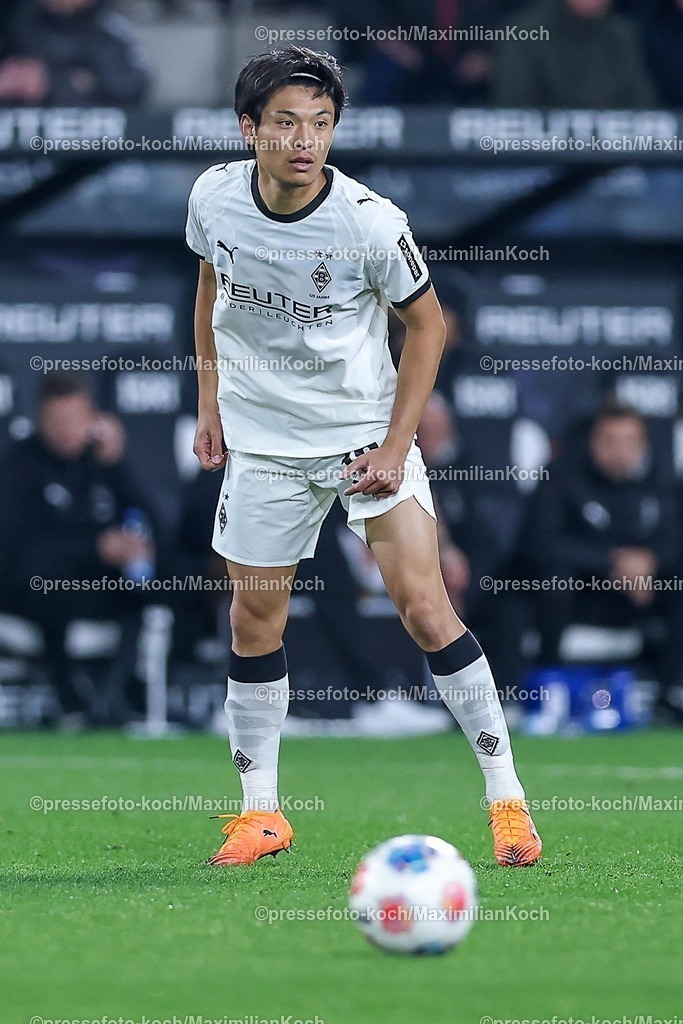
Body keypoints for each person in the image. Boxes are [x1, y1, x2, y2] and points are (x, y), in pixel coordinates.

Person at [186, 46, 542, 868]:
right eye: (286, 123)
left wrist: (395, 442)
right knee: (251, 620)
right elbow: (210, 286)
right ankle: (260, 814)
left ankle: (507, 802)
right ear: (250, 129)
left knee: (425, 607)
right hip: (264, 441)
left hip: (358, 438)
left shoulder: (369, 221)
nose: (305, 139)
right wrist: (210, 404)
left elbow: (428, 326)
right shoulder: (212, 195)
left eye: (320, 123)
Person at [0, 373, 156, 724]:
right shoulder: (19, 465)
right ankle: (70, 702)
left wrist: (115, 465)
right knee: (46, 588)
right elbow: (20, 550)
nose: (67, 430)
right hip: (37, 590)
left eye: (76, 419)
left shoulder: (101, 463)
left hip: (98, 585)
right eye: (58, 420)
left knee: (154, 588)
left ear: (93, 420)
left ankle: (123, 697)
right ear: (41, 420)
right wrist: (95, 547)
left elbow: (149, 526)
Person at [520, 400, 682, 707]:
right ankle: (551, 686)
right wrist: (612, 564)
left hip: (642, 595)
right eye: (610, 442)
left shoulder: (661, 482)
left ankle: (673, 691)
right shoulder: (562, 477)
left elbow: (673, 541)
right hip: (584, 592)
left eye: (630, 443)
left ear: (643, 445)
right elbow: (540, 544)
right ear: (593, 442)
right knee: (554, 580)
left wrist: (649, 562)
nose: (620, 452)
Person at [492, 0, 657, 108]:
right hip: (538, 154)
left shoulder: (623, 35)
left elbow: (643, 106)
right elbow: (513, 107)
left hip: (616, 153)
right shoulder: (524, 32)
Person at [0, 0, 148, 107]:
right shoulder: (22, 22)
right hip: (21, 135)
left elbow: (129, 90)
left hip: (89, 143)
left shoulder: (109, 33)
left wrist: (52, 83)